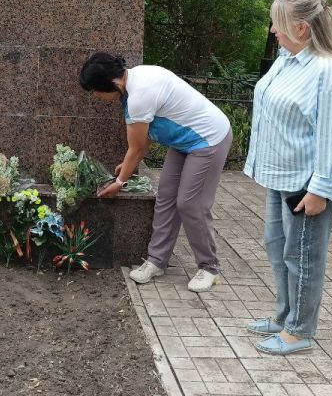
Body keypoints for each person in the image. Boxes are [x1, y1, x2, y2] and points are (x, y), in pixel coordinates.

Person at [244, 0, 332, 355]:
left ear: (302, 28)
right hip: (282, 176)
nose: (274, 30)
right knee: (279, 250)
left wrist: (320, 189)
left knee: (303, 257)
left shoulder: (326, 72)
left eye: (278, 23)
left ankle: (299, 330)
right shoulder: (287, 59)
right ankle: (283, 316)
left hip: (307, 185)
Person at [79, 54, 232, 292]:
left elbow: (137, 146)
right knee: (166, 198)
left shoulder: (139, 94)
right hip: (183, 142)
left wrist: (120, 181)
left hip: (208, 139)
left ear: (113, 83)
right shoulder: (132, 82)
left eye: (96, 91)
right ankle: (157, 261)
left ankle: (209, 267)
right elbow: (145, 137)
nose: (97, 97)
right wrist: (127, 165)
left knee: (190, 204)